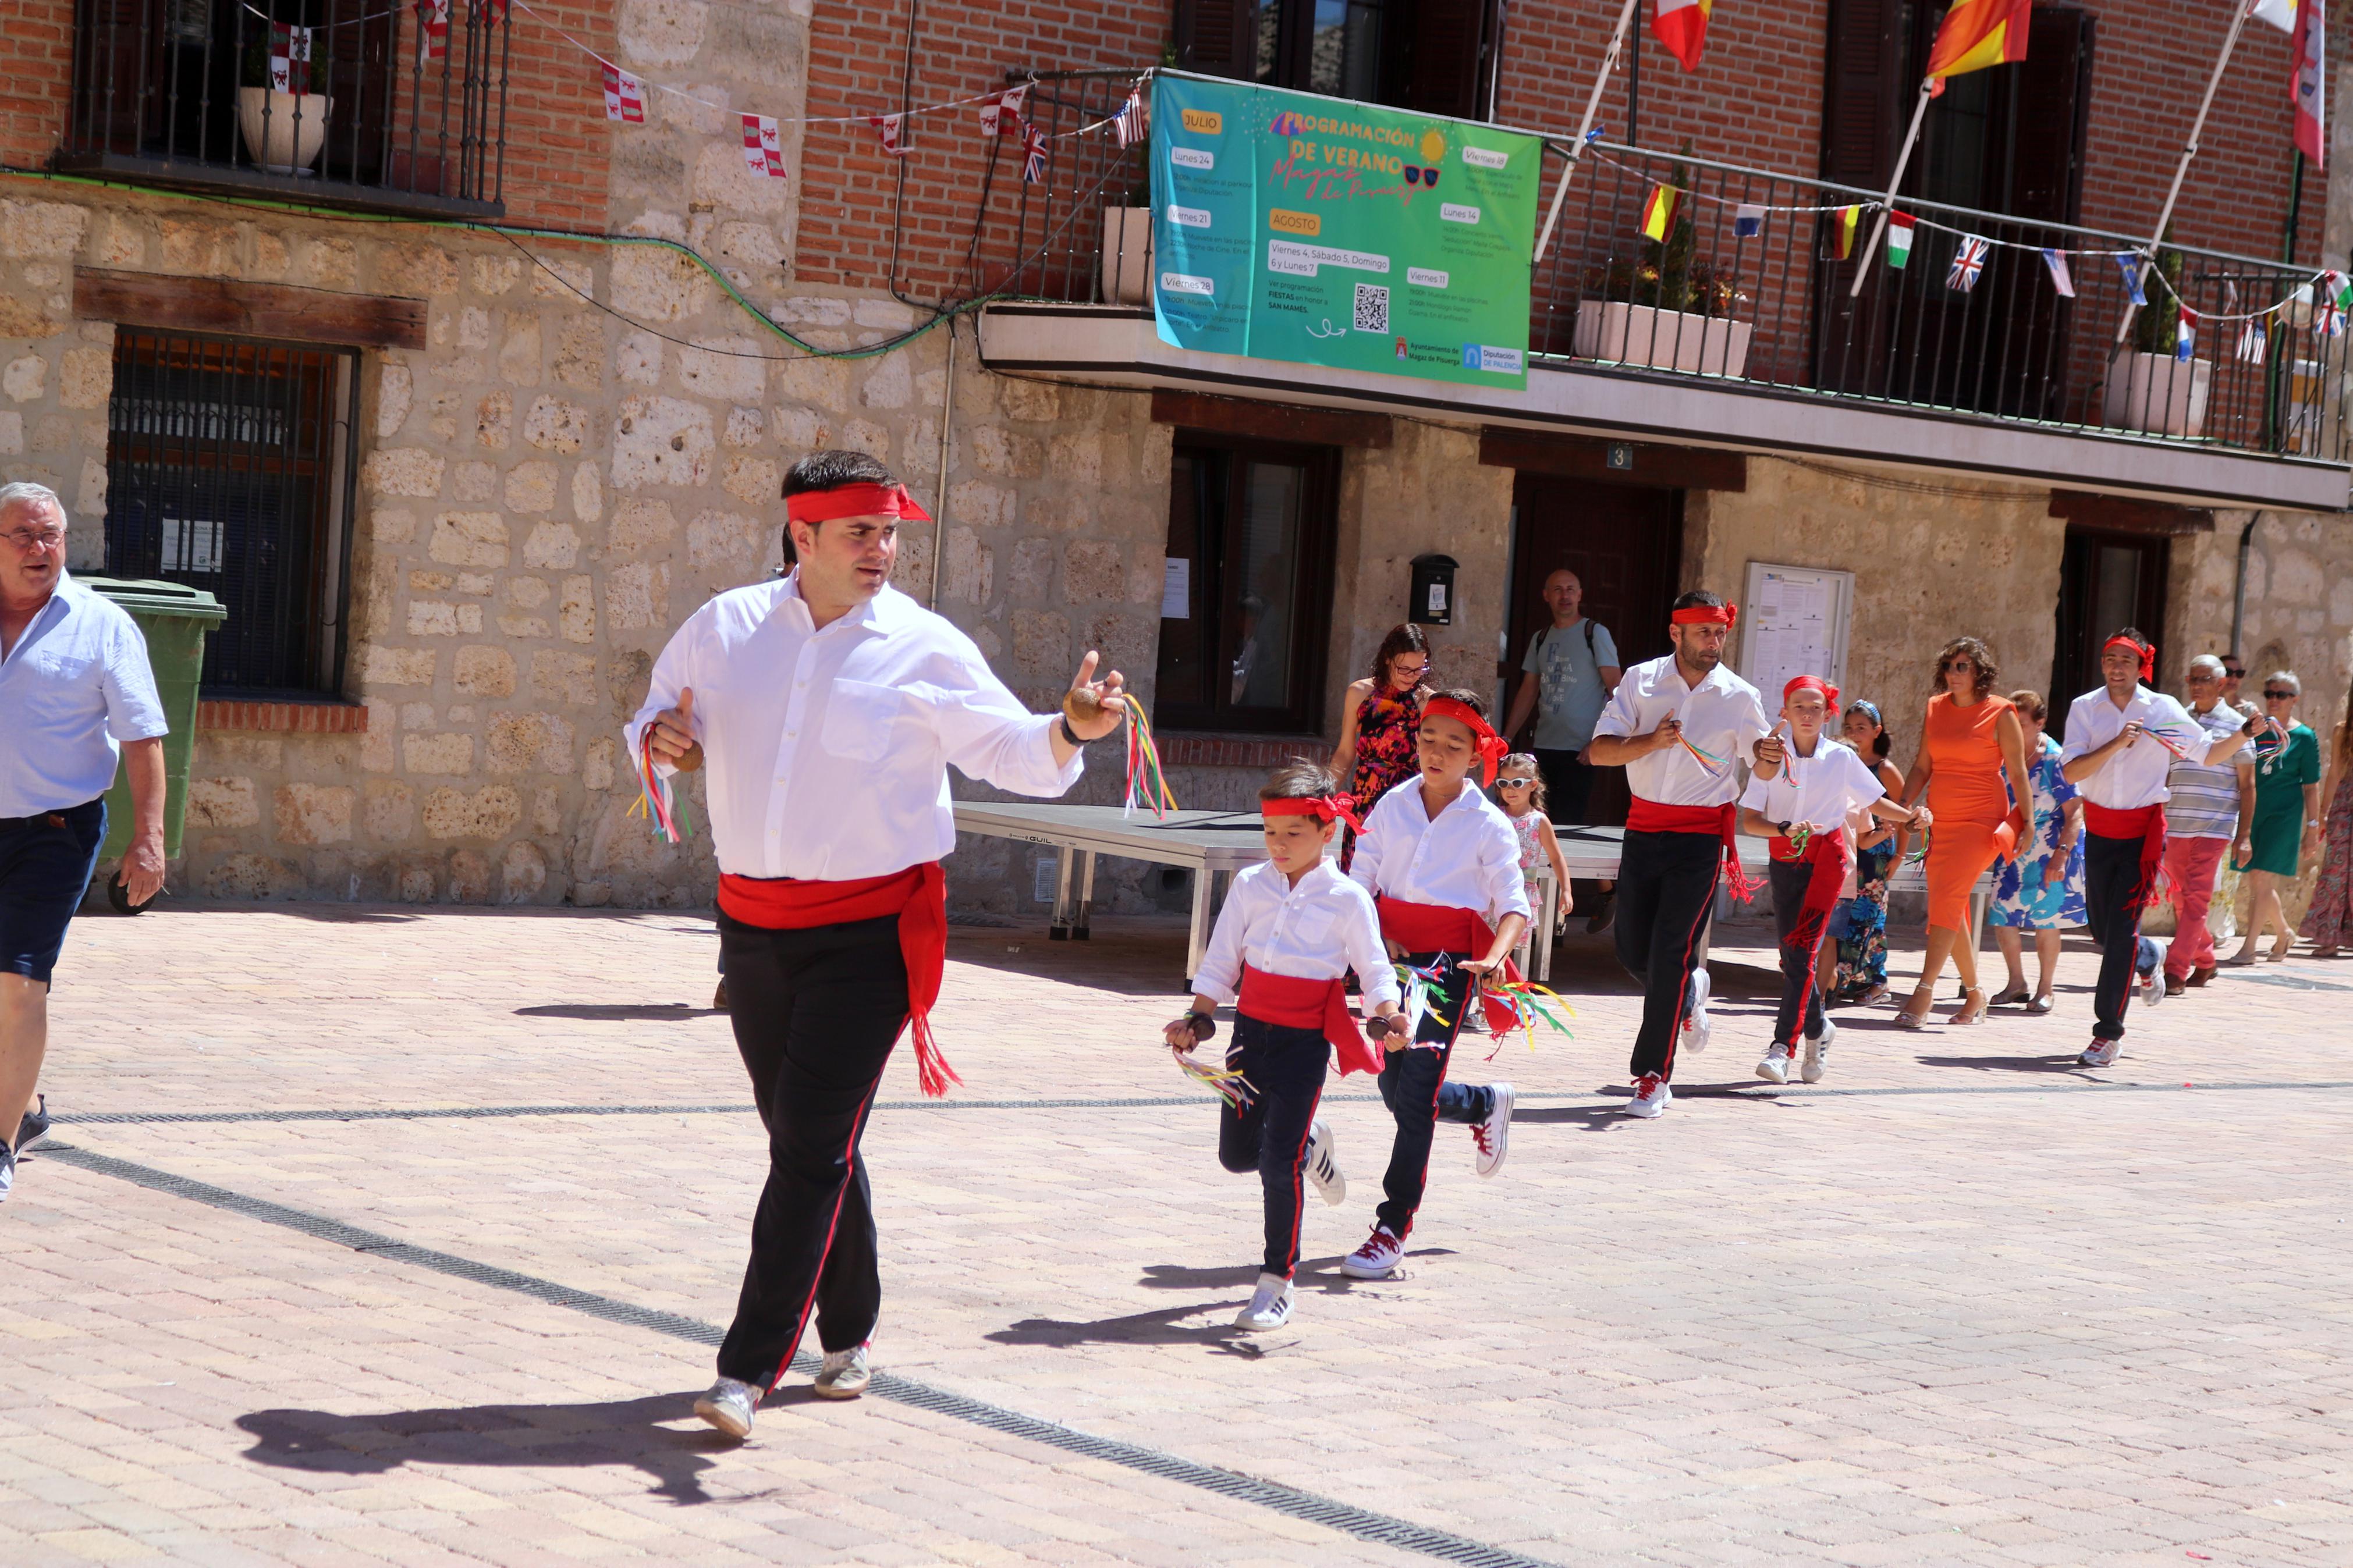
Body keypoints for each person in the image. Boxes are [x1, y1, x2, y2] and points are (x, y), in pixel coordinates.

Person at [630, 450, 1129, 1439]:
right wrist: (657, 741)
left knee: (810, 1141)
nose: (882, 551)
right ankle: (849, 1331)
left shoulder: (924, 645)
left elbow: (1014, 755)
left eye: (891, 532)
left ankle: (746, 1368)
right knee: (810, 1141)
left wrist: (1071, 729)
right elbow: (653, 714)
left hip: (873, 937)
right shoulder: (721, 629)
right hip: (753, 929)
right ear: (801, 535)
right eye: (860, 531)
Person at [1165, 762, 1404, 1331]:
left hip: (1303, 1045)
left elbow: (1373, 968)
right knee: (1236, 1156)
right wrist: (1196, 1019)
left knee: (1277, 1162)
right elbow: (1222, 959)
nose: (1278, 844)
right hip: (1249, 1039)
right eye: (1271, 832)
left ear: (1327, 832)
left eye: (1293, 833)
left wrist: (1388, 1014)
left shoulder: (1347, 898)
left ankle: (1277, 1282)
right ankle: (1309, 1145)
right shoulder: (1250, 885)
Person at [0, 482, 169, 1204]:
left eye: (52, 535)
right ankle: (26, 1104)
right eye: (25, 537)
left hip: (55, 829)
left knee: (16, 981)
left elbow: (142, 736)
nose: (42, 550)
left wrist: (150, 837)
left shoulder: (101, 625)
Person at [1343, 690, 1527, 1279]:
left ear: (1476, 755)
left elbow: (1513, 904)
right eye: (1428, 740)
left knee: (1415, 1091)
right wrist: (1371, 942)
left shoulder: (1487, 823)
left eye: (1454, 745)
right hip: (1386, 964)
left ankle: (1392, 1225)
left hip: (1447, 968)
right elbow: (1358, 881)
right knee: (1395, 1091)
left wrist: (1494, 957)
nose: (1437, 753)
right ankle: (1480, 1101)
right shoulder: (1392, 805)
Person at [1585, 590, 1783, 1118]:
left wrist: (1766, 759)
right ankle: (1689, 995)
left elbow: (1761, 769)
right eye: (1703, 633)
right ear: (1676, 633)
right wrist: (1651, 741)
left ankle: (1652, 1076)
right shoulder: (1640, 680)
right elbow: (1599, 750)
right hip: (1643, 830)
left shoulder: (1739, 695)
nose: (1714, 643)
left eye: (1720, 633)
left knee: (1670, 951)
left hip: (1698, 840)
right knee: (1630, 950)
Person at [1736, 677, 1917, 1084]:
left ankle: (1782, 1047)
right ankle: (1819, 1029)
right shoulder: (1768, 760)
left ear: (1827, 714)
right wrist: (1783, 829)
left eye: (1815, 707)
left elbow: (1874, 800)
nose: (1806, 713)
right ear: (1782, 712)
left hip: (1829, 862)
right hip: (1786, 857)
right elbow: (1750, 821)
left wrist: (1911, 816)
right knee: (1792, 957)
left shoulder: (1841, 757)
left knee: (1802, 952)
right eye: (1798, 706)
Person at [2057, 629, 2209, 1067]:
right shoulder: (2085, 708)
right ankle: (2149, 955)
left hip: (2143, 834)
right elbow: (2070, 771)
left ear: (2142, 665)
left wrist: (2245, 734)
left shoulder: (2161, 708)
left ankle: (2107, 1033)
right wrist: (2116, 742)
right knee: (2102, 932)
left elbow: (2206, 752)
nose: (2116, 665)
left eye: (2126, 658)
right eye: (2109, 657)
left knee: (2120, 933)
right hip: (2101, 830)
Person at [1891, 637, 2030, 1029]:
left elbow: (2017, 772)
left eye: (1963, 666)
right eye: (1950, 665)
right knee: (1947, 907)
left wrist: (2030, 824)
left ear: (1980, 672)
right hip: (1940, 819)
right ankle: (1974, 994)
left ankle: (1924, 989)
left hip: (1982, 819)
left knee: (1948, 898)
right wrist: (1903, 805)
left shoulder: (2001, 712)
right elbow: (1921, 765)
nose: (1954, 673)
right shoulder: (1935, 708)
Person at [1502, 570, 1623, 930]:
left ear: (1580, 594)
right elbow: (1528, 689)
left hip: (1580, 751)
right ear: (1546, 595)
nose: (1565, 596)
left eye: (1571, 589)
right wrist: (1508, 736)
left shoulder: (1594, 633)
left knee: (1563, 831)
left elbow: (1617, 690)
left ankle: (1561, 918)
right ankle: (1593, 895)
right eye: (1558, 590)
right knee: (1539, 830)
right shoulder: (1541, 639)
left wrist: (1600, 741)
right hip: (1545, 748)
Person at [2160, 656, 2259, 992]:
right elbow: (2165, 772)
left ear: (2220, 685)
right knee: (2179, 898)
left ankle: (2175, 970)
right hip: (2175, 823)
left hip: (2214, 826)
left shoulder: (2239, 725)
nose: (2197, 685)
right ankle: (2205, 960)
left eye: (2204, 679)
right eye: (2192, 679)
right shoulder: (2178, 721)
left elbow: (2247, 785)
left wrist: (2243, 836)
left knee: (2197, 898)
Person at [1986, 692, 2086, 1014]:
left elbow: (2075, 812)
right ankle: (2016, 983)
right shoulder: (2004, 755)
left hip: (2050, 848)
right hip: (2013, 847)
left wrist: (2062, 855)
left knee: (2046, 919)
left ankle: (2046, 989)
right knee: (2003, 914)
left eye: (2022, 723)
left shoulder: (2056, 760)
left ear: (2040, 724)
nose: (2013, 729)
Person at [2227, 671, 2322, 965]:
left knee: (2261, 877)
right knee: (2258, 881)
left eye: (2281, 695)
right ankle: (2283, 934)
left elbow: (2311, 786)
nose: (2274, 700)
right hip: (2255, 812)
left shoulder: (2305, 737)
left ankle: (2249, 948)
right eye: (2270, 694)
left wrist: (2313, 828)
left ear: (2294, 699)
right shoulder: (2255, 731)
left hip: (2285, 815)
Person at [1329, 625, 1433, 866]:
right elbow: (1346, 752)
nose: (1412, 676)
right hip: (1366, 796)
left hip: (1409, 799)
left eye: (1420, 669)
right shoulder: (1359, 693)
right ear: (1387, 659)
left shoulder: (1426, 700)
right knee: (1359, 871)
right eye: (1405, 668)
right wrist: (1323, 792)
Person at [1827, 700, 1906, 1005]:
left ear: (1877, 731)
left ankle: (1878, 982)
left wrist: (1899, 856)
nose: (1855, 733)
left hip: (1876, 853)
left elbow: (1903, 815)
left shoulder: (1884, 769)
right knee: (1844, 918)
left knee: (1871, 918)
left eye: (1861, 728)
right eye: (1849, 728)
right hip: (1848, 848)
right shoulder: (1842, 761)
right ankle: (1846, 980)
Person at [2297, 682, 2353, 957]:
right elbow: (2334, 773)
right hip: (2346, 802)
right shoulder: (2344, 730)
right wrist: (2322, 813)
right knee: (2336, 871)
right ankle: (2330, 937)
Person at [1495, 753, 1574, 943]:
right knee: (1486, 946)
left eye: (1518, 783)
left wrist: (1566, 890)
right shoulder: (1494, 816)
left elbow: (1556, 858)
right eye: (1504, 783)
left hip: (1522, 892)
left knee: (1508, 945)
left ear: (1533, 785)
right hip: (1494, 890)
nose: (1510, 789)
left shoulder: (1539, 821)